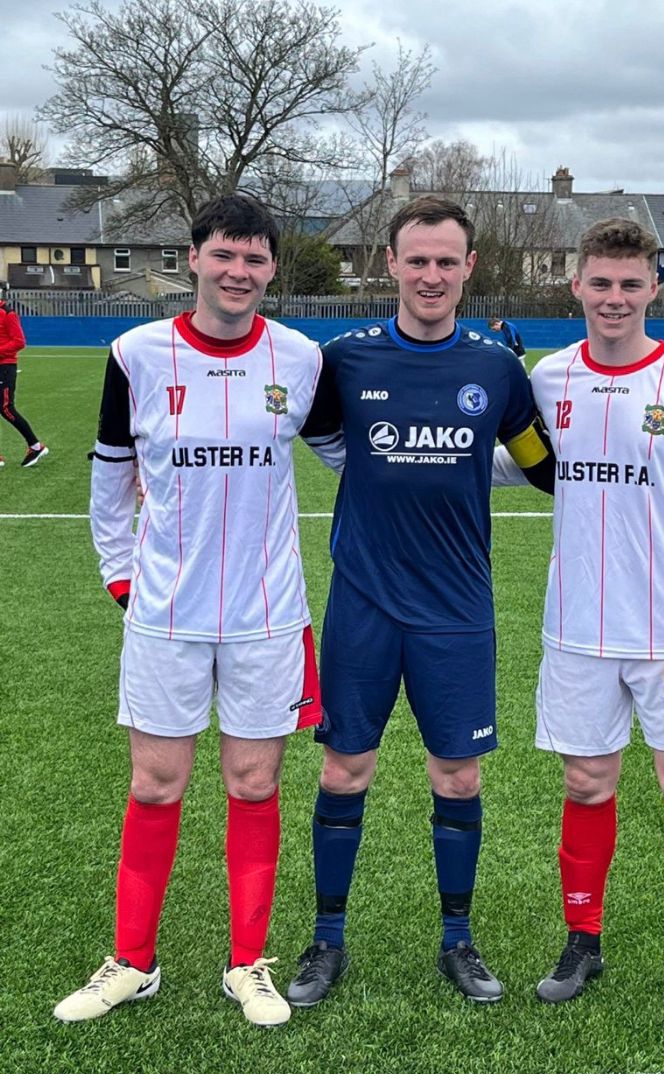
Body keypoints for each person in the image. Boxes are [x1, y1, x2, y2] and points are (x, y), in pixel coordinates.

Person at [53, 193, 329, 1028]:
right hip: (166, 615)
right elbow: (109, 475)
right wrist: (120, 576)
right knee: (156, 784)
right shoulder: (135, 353)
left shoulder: (302, 357)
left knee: (254, 783)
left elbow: (357, 453)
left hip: (268, 614)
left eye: (254, 259)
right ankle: (133, 962)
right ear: (195, 259)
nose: (238, 272)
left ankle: (248, 964)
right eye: (224, 255)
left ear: (272, 268)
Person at [287, 196, 555, 1007]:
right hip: (363, 603)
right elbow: (323, 437)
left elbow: (541, 465)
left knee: (459, 778)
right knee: (344, 768)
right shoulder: (347, 360)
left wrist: (472, 463)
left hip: (457, 608)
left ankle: (458, 942)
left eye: (447, 261)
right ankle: (325, 941)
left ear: (469, 268)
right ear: (391, 264)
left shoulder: (496, 368)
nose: (431, 274)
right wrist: (373, 469)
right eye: (417, 260)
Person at [503, 218, 664, 1021]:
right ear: (575, 284)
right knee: (586, 780)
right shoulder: (549, 378)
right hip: (576, 628)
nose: (614, 298)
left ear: (653, 290)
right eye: (600, 283)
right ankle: (584, 939)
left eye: (629, 284)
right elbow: (520, 466)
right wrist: (428, 447)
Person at [0, 294, 48, 467]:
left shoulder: (8, 313)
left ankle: (35, 446)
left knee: (5, 407)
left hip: (5, 366)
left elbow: (19, 342)